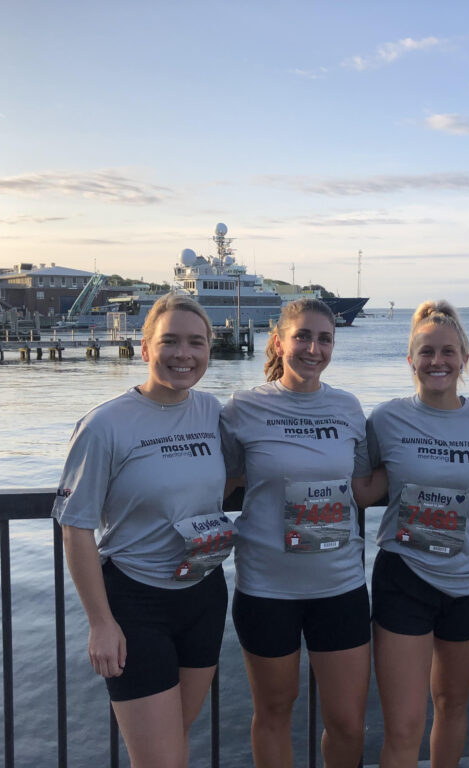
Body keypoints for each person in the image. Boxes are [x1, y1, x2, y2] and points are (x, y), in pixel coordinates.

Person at [53, 294, 232, 768]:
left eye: (196, 342)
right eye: (169, 341)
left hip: (204, 594)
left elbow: (234, 476)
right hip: (136, 604)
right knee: (161, 760)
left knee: (175, 741)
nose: (183, 354)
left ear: (209, 349)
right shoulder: (104, 425)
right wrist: (100, 622)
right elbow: (75, 527)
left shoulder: (211, 411)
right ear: (145, 347)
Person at [220, 298, 383, 768]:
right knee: (273, 713)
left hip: (339, 586)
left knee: (348, 723)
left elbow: (362, 489)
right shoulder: (244, 408)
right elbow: (219, 482)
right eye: (303, 337)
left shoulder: (347, 407)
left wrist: (416, 460)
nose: (314, 348)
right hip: (266, 588)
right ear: (278, 342)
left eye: (324, 339)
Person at [367, 301, 469, 768]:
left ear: (464, 359)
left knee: (452, 706)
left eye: (448, 352)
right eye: (427, 352)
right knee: (404, 724)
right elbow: (361, 482)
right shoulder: (385, 419)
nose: (438, 361)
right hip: (405, 577)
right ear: (410, 360)